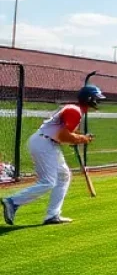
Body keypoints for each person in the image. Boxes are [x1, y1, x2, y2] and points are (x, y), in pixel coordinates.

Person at [2, 85, 104, 226]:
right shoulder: (74, 111)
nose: (98, 101)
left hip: (49, 143)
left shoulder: (76, 111)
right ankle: (12, 201)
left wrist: (76, 138)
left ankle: (53, 215)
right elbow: (63, 135)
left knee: (64, 176)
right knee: (48, 181)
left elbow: (64, 135)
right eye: (96, 98)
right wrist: (81, 139)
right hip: (44, 142)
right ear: (89, 99)